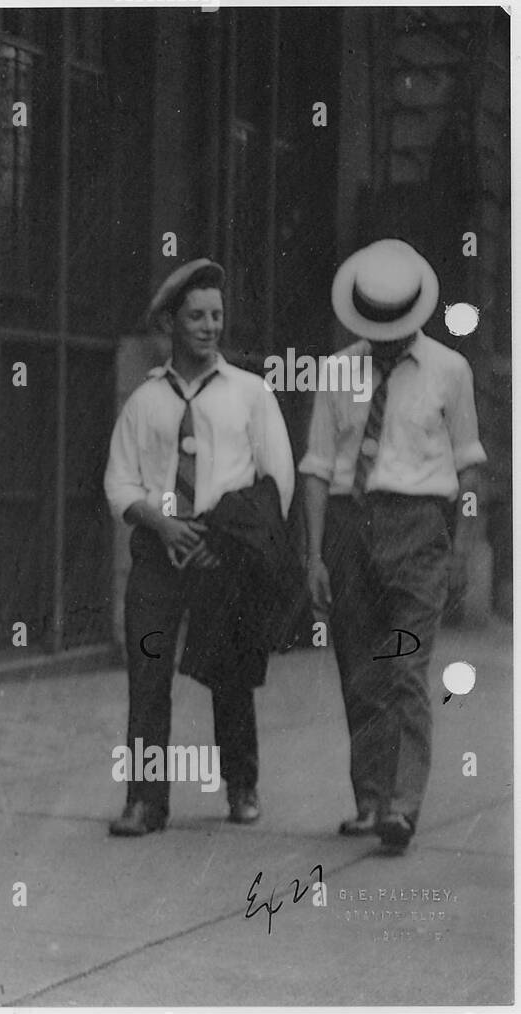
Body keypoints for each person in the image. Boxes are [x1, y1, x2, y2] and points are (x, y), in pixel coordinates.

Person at [299, 239, 485, 854]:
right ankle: (371, 799)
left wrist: (462, 546)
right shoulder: (336, 372)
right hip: (352, 529)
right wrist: (316, 554)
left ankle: (402, 807)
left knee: (404, 668)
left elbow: (469, 469)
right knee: (360, 671)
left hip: (419, 530)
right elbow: (318, 469)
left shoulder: (450, 371)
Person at [103, 259, 295, 836]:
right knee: (148, 674)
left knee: (229, 674)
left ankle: (242, 786)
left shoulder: (251, 394)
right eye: (196, 316)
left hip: (224, 554)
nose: (210, 326)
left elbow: (277, 481)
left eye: (217, 315)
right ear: (170, 323)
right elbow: (119, 483)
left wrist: (233, 543)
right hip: (159, 555)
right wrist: (164, 527)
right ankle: (144, 801)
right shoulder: (145, 402)